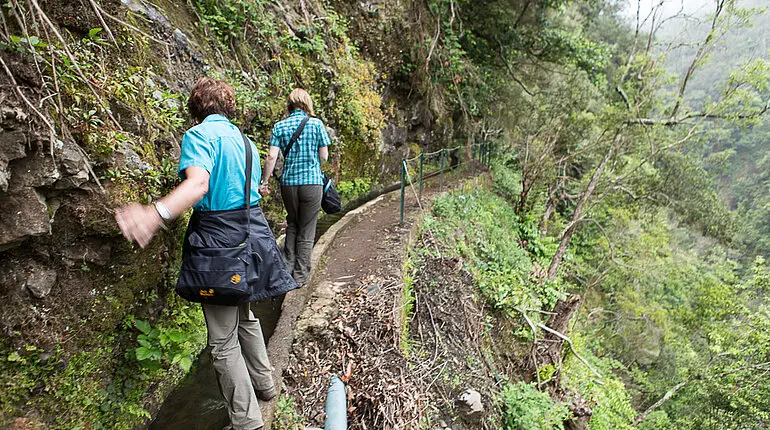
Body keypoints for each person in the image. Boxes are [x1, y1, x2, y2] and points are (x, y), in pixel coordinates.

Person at [115, 77, 296, 430]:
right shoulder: (244, 142)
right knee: (243, 312)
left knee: (221, 341)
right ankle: (265, 384)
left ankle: (247, 423)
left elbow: (198, 185)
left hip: (219, 243)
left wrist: (153, 215)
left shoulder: (199, 136)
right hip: (251, 235)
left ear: (196, 109)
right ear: (228, 107)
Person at [260, 89, 331, 286]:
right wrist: (315, 166)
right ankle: (300, 276)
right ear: (307, 103)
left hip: (288, 184)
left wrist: (264, 182)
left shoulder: (280, 126)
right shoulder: (316, 124)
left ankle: (286, 269)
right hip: (311, 183)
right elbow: (324, 156)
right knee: (307, 228)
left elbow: (271, 157)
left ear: (289, 104)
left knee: (293, 223)